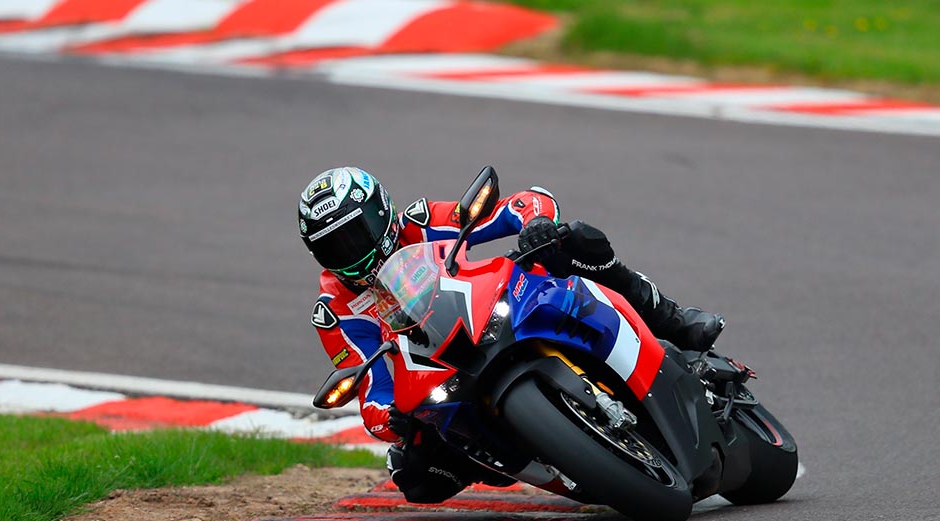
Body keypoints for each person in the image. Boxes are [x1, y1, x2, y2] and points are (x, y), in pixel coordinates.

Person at [299, 166, 724, 503]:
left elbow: (525, 203)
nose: (351, 252)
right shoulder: (335, 311)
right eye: (334, 247)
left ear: (381, 214)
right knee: (415, 476)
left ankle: (670, 318)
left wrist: (536, 223)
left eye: (355, 234)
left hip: (488, 314)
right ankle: (534, 454)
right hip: (439, 373)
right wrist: (391, 420)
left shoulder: (420, 223)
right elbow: (370, 392)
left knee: (571, 241)